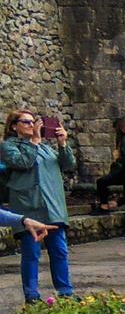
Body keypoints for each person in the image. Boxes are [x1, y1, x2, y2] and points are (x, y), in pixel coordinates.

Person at [2, 109, 77, 302]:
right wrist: (34, 142)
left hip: (53, 208)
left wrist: (62, 145)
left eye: (33, 121)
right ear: (14, 126)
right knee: (31, 254)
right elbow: (23, 162)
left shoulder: (45, 149)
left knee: (60, 251)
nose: (31, 125)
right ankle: (32, 296)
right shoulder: (9, 146)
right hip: (29, 209)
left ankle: (66, 293)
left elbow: (68, 165)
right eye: (26, 122)